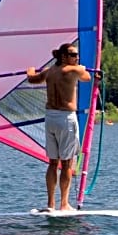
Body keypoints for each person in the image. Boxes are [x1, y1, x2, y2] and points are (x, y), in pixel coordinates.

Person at [26, 42, 91, 211]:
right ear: (63, 57)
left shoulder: (49, 72)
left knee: (53, 163)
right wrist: (84, 68)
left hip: (50, 119)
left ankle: (50, 204)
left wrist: (31, 69)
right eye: (73, 55)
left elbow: (32, 79)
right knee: (67, 164)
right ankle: (64, 204)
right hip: (65, 119)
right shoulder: (71, 70)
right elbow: (87, 77)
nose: (77, 58)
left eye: (77, 55)